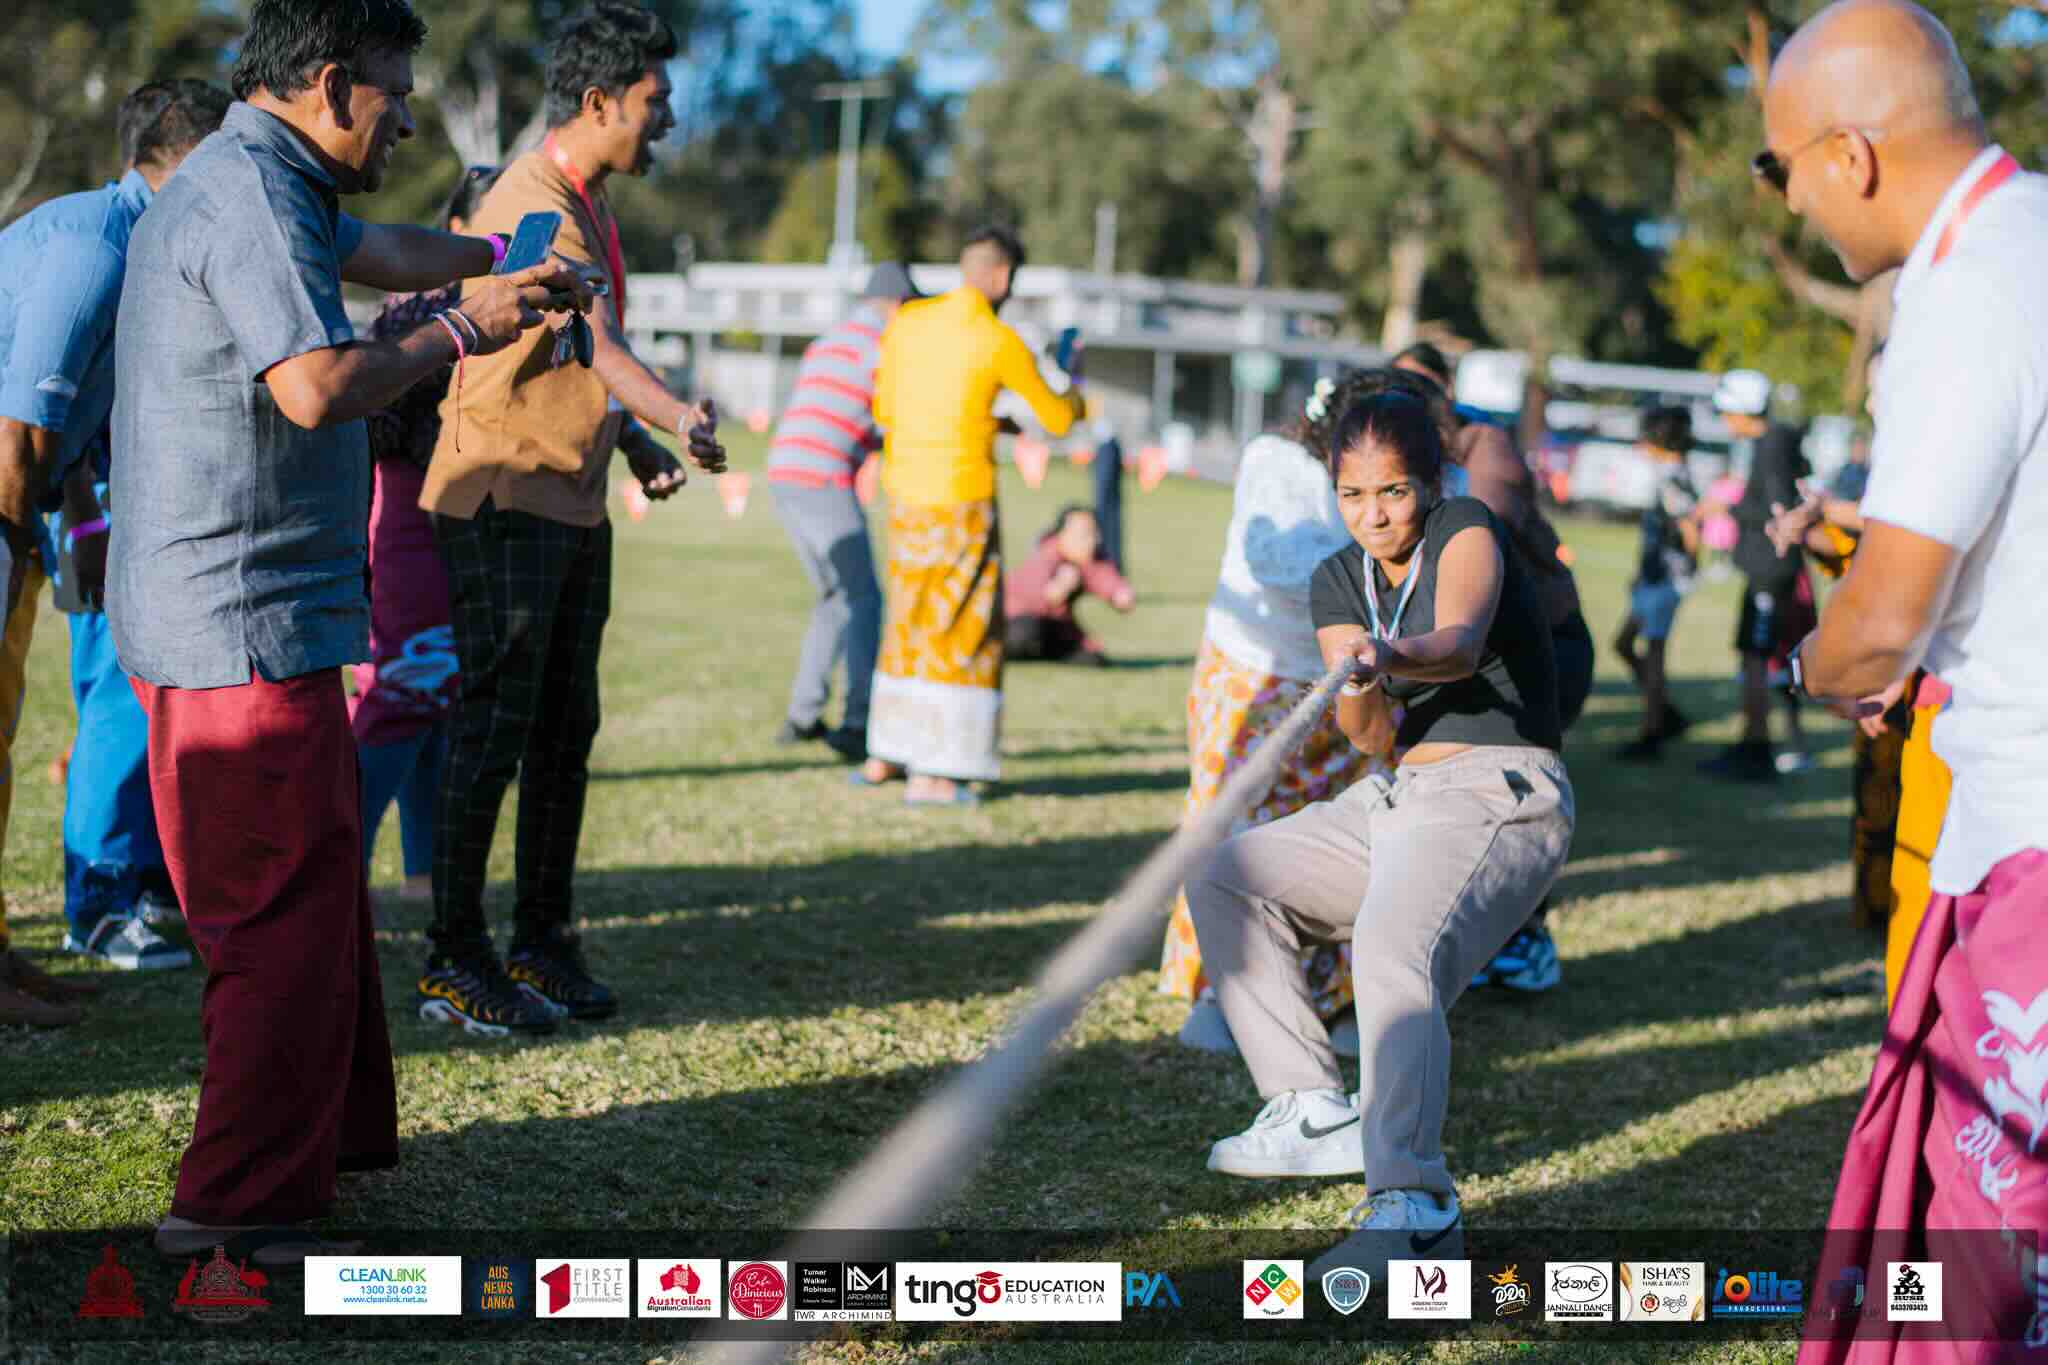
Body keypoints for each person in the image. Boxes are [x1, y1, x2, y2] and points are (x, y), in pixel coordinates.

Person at [109, 0, 597, 1259]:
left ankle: (313, 1149)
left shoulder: (261, 177)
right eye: (394, 88)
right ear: (330, 82)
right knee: (275, 916)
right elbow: (318, 386)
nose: (411, 113)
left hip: (250, 616)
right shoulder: (250, 197)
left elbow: (379, 246)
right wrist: (463, 331)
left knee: (315, 896)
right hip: (236, 629)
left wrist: (495, 265)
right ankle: (229, 1208)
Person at [1751, 6, 2048, 1359]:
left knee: (1985, 1273)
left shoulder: (1975, 277)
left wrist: (1822, 659)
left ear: (1851, 156)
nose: (1787, 201)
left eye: (1779, 168)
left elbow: (1880, 622)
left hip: (2029, 850)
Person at [1186, 376, 1572, 1289]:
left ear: (1430, 480)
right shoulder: (1336, 579)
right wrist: (1357, 682)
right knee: (1226, 875)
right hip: (1398, 795)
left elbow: (1463, 639)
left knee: (1392, 948)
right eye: (1353, 495)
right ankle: (1311, 1104)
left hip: (1501, 788)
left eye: (1393, 491)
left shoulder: (1463, 525)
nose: (1375, 516)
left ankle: (1417, 1208)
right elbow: (1375, 739)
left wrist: (1384, 653)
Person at [419, 0, 726, 1035]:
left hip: (568, 502)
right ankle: (451, 959)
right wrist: (678, 413)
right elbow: (593, 343)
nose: (667, 120)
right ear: (598, 102)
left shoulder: (591, 204)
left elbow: (553, 354)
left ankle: (539, 945)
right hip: (503, 494)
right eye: (654, 102)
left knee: (561, 733)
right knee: (495, 732)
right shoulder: (530, 199)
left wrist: (633, 444)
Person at [0, 81, 230, 1018]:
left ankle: (2, 963)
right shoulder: (95, 248)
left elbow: (73, 418)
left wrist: (82, 517)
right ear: (184, 158)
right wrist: (21, 549)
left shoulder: (135, 245)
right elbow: (17, 432)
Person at [1160, 414, 1384, 1059]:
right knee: (1232, 829)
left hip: (1336, 678)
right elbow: (1273, 559)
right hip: (1255, 672)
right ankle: (1217, 988)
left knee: (1329, 842)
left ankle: (1321, 993)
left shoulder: (1391, 482)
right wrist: (1379, 559)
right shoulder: (1276, 462)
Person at [859, 226, 1085, 804]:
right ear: (1004, 276)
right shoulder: (996, 336)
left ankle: (886, 754)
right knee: (962, 626)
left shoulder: (907, 324)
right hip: (960, 500)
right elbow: (1058, 418)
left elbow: (887, 404)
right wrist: (1075, 386)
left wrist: (986, 419)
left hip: (905, 497)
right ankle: (939, 773)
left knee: (907, 621)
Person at [1393, 342, 1588, 993]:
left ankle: (1529, 942)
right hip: (1483, 647)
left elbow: (1468, 546)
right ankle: (1484, 936)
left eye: (1418, 390)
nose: (1402, 401)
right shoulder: (1419, 462)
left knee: (1511, 799)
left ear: (1444, 397)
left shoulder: (1485, 456)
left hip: (1546, 646)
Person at [351, 166, 502, 918]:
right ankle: (334, 866)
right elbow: (377, 406)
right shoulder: (434, 296)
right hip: (412, 498)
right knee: (410, 685)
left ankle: (422, 873)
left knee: (437, 700)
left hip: (465, 506)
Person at [766, 262, 921, 762]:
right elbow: (894, 416)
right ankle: (859, 723)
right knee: (865, 599)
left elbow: (843, 408)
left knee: (833, 597)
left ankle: (802, 715)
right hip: (822, 476)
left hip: (784, 470)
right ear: (898, 304)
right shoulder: (886, 347)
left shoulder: (831, 340)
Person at [1700, 368, 1815, 781]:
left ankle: (1758, 748)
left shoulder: (1772, 445)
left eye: (1728, 411)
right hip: (1765, 570)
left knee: (1757, 658)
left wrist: (1726, 508)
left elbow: (1778, 508)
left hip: (1771, 571)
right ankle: (1751, 741)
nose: (1725, 420)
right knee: (1751, 655)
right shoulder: (1769, 443)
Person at [1614, 405, 1702, 760]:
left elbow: (1689, 526)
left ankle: (1652, 733)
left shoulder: (1673, 477)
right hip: (1652, 577)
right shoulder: (1668, 472)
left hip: (1665, 579)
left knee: (1653, 653)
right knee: (1623, 645)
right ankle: (1665, 711)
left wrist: (1689, 567)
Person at [1002, 505, 1134, 665]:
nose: (1093, 541)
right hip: (1014, 619)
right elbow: (1041, 597)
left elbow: (1107, 580)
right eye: (1084, 535)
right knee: (1025, 634)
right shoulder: (1045, 556)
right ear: (1061, 535)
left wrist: (1120, 594)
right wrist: (1062, 585)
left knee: (1092, 659)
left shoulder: (1088, 559)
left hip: (1056, 628)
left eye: (1094, 533)